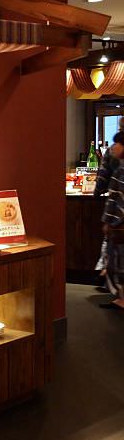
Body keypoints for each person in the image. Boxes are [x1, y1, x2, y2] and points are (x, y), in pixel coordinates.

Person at [93, 124, 122, 290]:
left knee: (113, 245)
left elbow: (103, 177)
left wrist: (97, 192)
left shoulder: (113, 156)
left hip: (118, 217)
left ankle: (106, 273)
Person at [101, 130, 124, 310]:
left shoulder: (121, 170)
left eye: (117, 144)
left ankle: (121, 299)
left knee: (117, 261)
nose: (113, 148)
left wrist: (108, 222)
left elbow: (115, 199)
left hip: (119, 225)